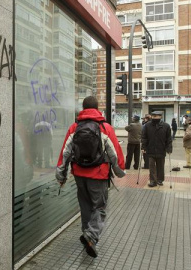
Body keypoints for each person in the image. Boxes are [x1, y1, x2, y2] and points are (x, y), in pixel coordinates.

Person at [55, 96, 125, 258]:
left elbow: (65, 153)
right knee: (99, 207)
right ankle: (91, 236)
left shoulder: (74, 127)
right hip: (98, 175)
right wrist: (120, 171)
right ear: (97, 108)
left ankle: (86, 233)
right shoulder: (105, 127)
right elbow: (114, 153)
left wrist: (61, 175)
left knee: (85, 206)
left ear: (83, 108)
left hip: (79, 174)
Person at [141, 111, 172, 187]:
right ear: (151, 117)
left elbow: (169, 139)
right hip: (150, 149)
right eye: (154, 116)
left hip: (161, 149)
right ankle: (153, 181)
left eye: (157, 116)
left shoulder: (166, 126)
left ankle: (160, 180)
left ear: (160, 117)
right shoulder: (147, 125)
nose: (155, 117)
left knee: (160, 166)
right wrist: (143, 147)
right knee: (151, 166)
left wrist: (169, 148)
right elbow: (144, 137)